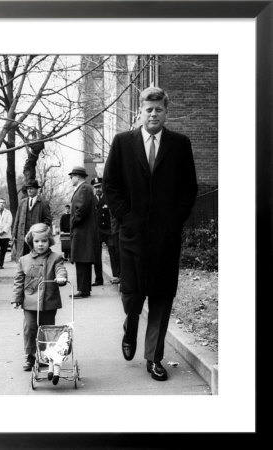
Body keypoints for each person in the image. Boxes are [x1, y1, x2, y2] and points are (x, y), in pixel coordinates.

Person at [103, 87, 197, 381]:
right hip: (132, 237)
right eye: (148, 109)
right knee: (132, 295)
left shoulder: (180, 144)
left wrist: (174, 220)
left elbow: (189, 188)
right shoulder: (122, 142)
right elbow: (111, 185)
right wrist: (126, 217)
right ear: (139, 112)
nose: (153, 114)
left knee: (161, 295)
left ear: (165, 112)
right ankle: (130, 326)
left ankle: (154, 357)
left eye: (158, 109)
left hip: (166, 239)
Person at [11, 223, 67, 383]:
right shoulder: (24, 260)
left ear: (49, 241)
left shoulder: (55, 258)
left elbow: (60, 269)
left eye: (44, 241)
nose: (40, 244)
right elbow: (18, 280)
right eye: (37, 241)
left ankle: (46, 356)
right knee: (30, 328)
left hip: (49, 302)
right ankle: (30, 355)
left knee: (47, 330)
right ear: (31, 242)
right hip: (30, 302)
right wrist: (16, 298)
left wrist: (61, 277)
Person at [69, 166, 99, 299]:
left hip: (83, 231)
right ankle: (84, 289)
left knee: (82, 260)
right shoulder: (85, 188)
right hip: (83, 231)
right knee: (83, 260)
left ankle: (83, 289)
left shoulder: (84, 188)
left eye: (72, 177)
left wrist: (73, 222)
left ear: (77, 176)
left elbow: (80, 210)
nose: (71, 179)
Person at [12, 179, 52, 262]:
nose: (29, 190)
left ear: (37, 190)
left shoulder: (43, 203)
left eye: (32, 188)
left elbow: (48, 220)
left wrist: (40, 231)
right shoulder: (22, 203)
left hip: (36, 237)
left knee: (36, 258)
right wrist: (14, 234)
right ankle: (22, 274)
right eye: (28, 188)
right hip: (22, 237)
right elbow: (17, 219)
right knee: (23, 259)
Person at [91, 177, 119, 286]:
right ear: (93, 188)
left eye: (99, 186)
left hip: (108, 231)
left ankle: (116, 276)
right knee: (97, 255)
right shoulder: (91, 200)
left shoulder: (108, 198)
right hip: (97, 231)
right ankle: (99, 279)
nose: (98, 189)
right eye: (95, 187)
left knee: (113, 252)